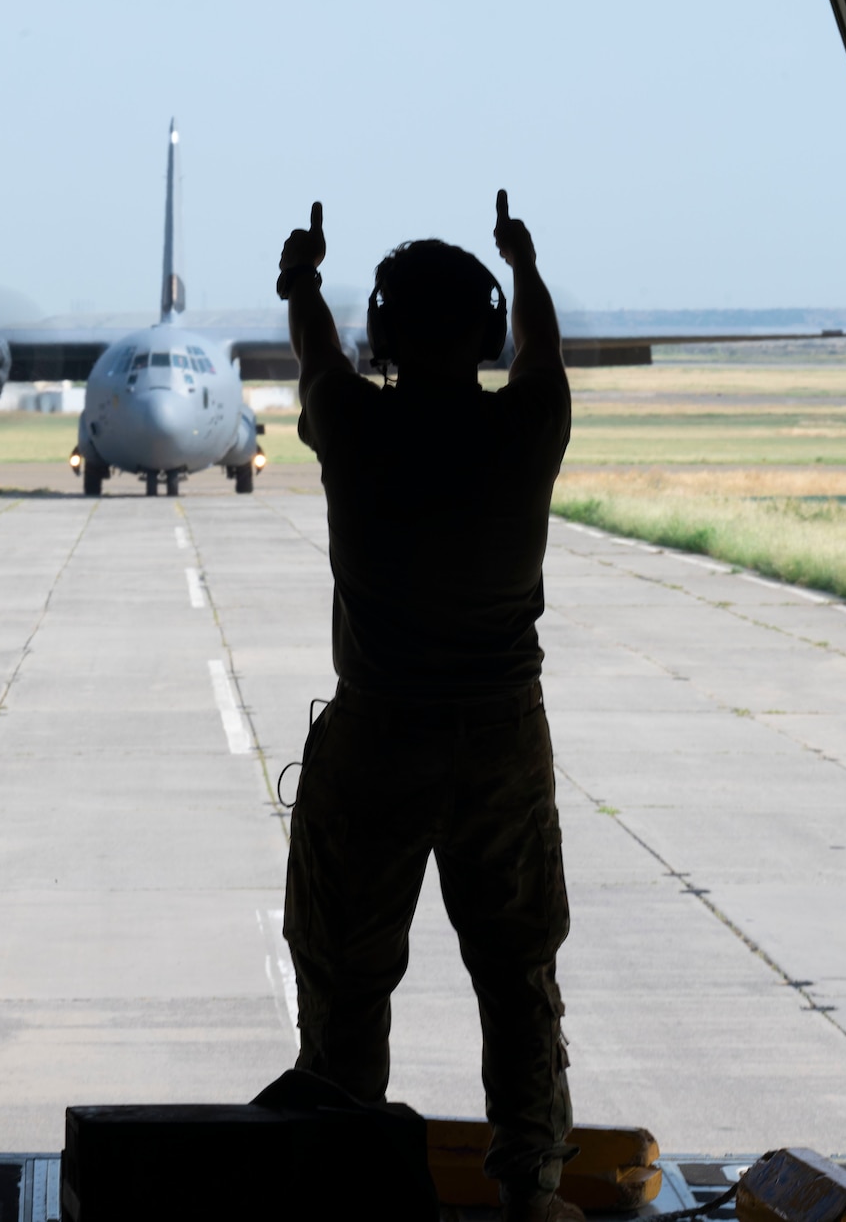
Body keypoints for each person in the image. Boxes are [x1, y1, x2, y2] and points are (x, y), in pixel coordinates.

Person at [275, 193, 578, 1222]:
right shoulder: (529, 425)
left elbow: (315, 353)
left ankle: (345, 1184)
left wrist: (303, 282)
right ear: (484, 328)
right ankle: (530, 1186)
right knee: (516, 971)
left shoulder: (353, 424)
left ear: (382, 333)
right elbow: (539, 348)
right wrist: (522, 263)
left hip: (379, 732)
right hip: (499, 733)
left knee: (344, 976)